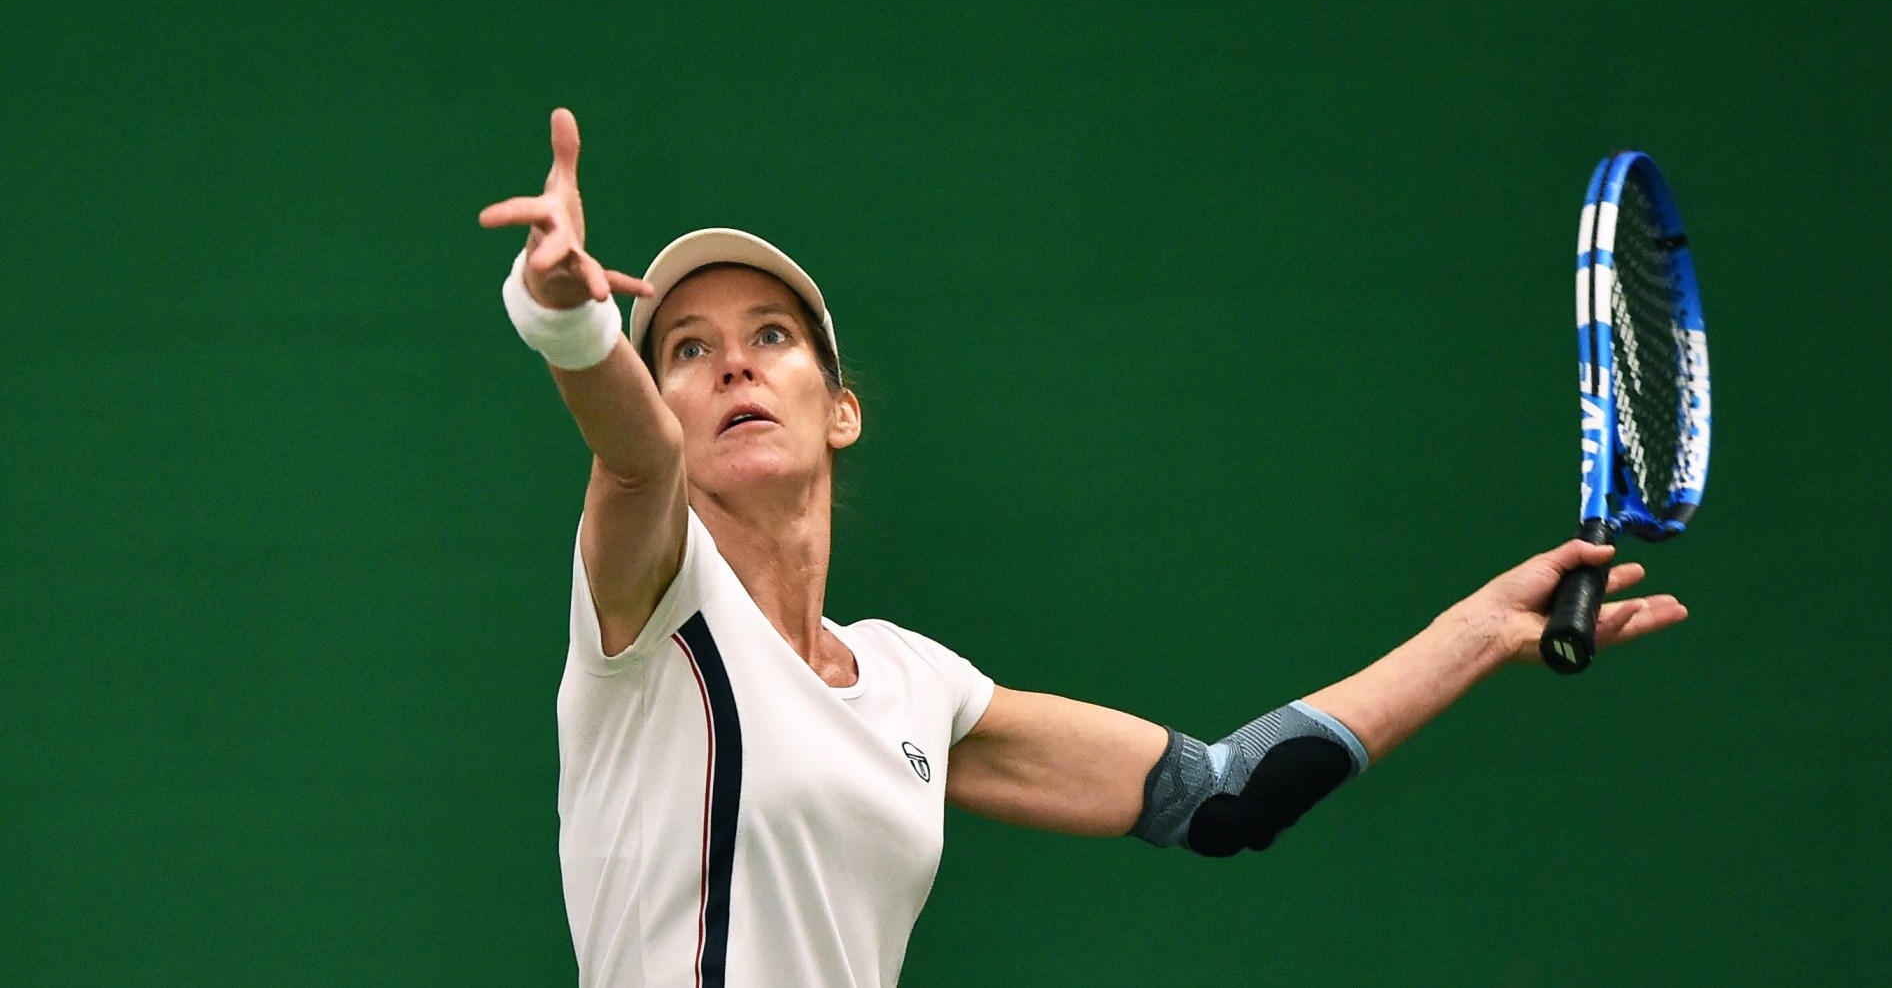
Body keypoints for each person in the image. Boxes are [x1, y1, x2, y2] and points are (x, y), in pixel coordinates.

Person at [479, 109, 1687, 988]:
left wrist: (1475, 630)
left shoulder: (917, 684)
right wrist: (568, 316)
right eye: (684, 348)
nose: (732, 360)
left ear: (840, 409)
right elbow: (628, 453)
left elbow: (1221, 793)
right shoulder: (655, 597)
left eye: (772, 335)